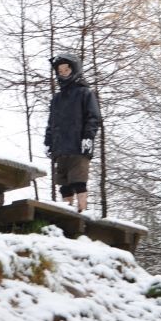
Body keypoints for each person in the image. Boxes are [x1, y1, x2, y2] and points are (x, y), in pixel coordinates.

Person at [44, 53, 101, 213]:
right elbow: (51, 123)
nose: (63, 72)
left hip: (78, 147)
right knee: (64, 186)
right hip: (60, 149)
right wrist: (48, 143)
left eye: (66, 69)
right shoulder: (57, 98)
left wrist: (88, 137)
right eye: (60, 70)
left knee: (78, 182)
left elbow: (94, 117)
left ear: (74, 70)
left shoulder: (85, 93)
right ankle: (67, 216)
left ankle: (83, 214)